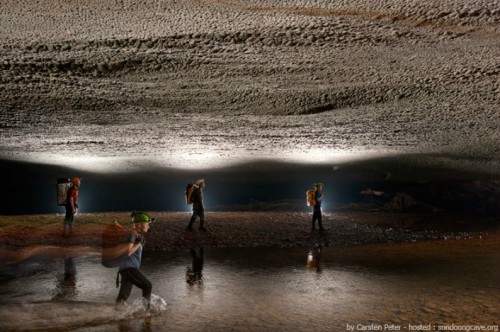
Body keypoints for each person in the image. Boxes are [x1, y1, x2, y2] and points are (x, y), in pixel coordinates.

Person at [116, 211, 154, 311]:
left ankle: (115, 315)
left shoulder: (135, 234)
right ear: (140, 224)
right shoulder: (131, 234)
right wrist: (139, 244)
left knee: (123, 298)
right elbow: (127, 252)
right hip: (128, 268)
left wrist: (139, 242)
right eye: (147, 224)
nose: (149, 226)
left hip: (127, 269)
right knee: (147, 285)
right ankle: (147, 313)